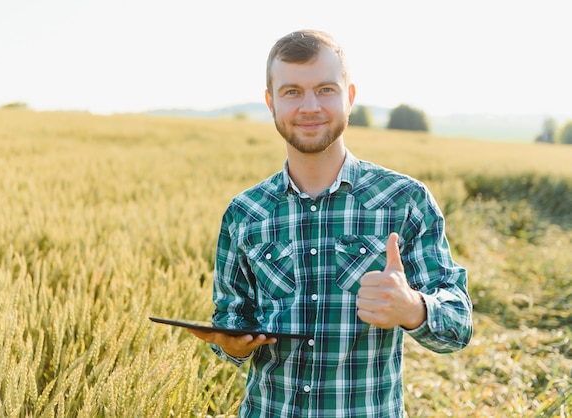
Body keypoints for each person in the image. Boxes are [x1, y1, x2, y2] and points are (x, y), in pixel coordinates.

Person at [188, 29, 473, 417]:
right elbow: (230, 318)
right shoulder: (245, 213)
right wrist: (232, 343)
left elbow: (458, 323)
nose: (309, 107)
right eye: (292, 92)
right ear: (271, 103)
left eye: (325, 89)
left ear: (349, 97)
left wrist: (412, 307)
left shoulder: (404, 201)